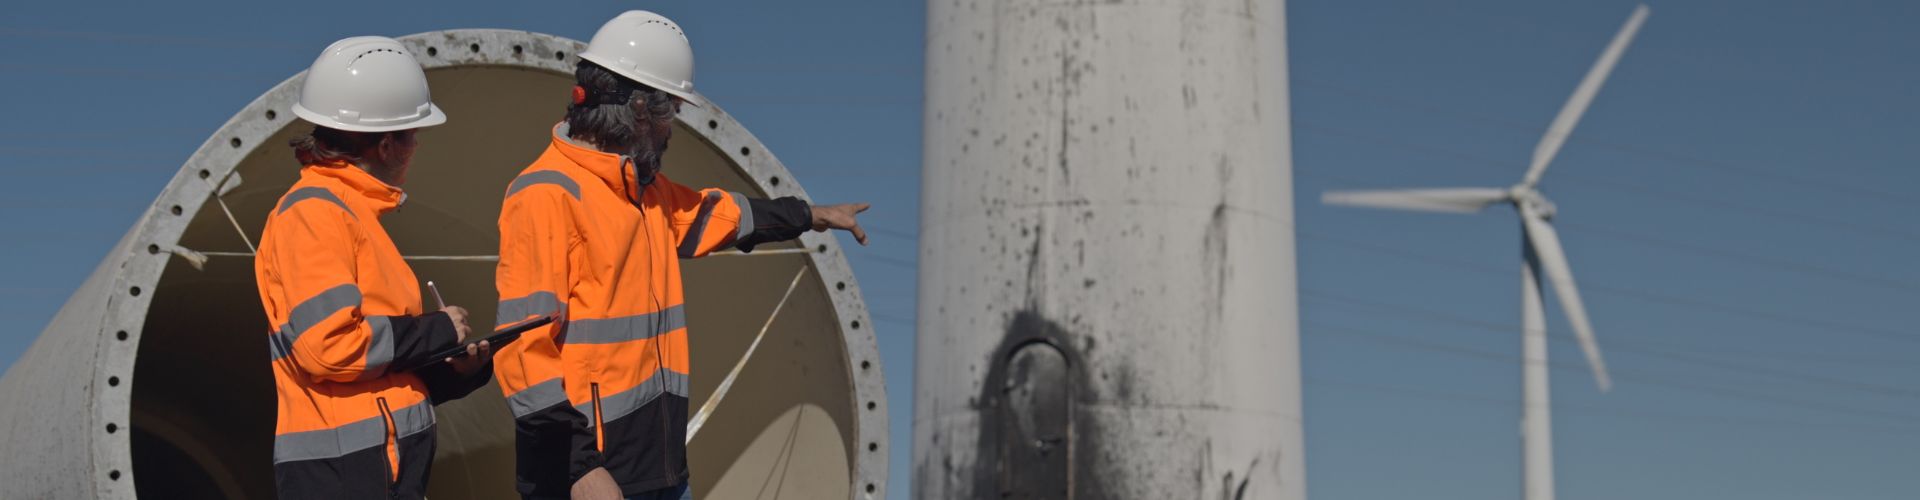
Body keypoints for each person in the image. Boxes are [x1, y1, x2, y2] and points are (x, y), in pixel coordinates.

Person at [491, 11, 871, 500]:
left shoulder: (646, 194)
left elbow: (718, 215)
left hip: (659, 475)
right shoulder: (545, 195)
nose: (671, 129)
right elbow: (522, 352)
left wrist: (808, 215)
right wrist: (578, 468)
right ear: (639, 110)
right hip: (587, 480)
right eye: (670, 111)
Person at [256, 36, 495, 500]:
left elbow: (375, 367)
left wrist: (453, 371)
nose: (417, 145)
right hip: (346, 475)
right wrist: (437, 330)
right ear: (386, 145)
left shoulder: (349, 215)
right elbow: (330, 348)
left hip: (371, 471)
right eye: (413, 134)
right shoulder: (314, 214)